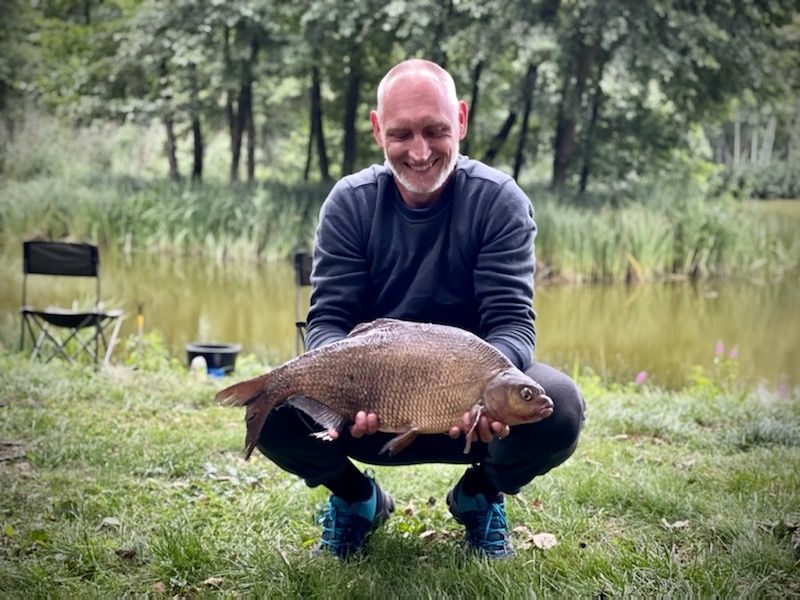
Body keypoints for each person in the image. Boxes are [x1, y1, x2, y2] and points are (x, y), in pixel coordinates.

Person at [257, 59, 585, 559]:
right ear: (376, 129)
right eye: (401, 133)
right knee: (273, 403)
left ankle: (480, 496)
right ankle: (358, 500)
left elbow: (513, 323)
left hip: (473, 414)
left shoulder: (499, 201)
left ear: (461, 120)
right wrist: (341, 383)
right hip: (369, 404)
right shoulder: (349, 203)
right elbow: (327, 319)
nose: (419, 151)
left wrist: (488, 393)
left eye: (435, 130)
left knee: (557, 406)